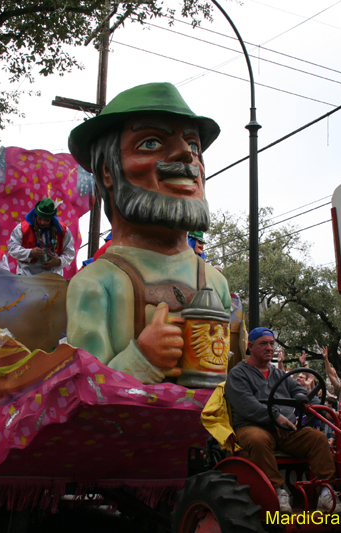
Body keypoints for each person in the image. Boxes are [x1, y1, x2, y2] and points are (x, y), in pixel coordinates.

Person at [65, 82, 230, 384]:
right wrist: (140, 359)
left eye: (194, 146)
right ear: (107, 170)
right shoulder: (96, 283)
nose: (186, 155)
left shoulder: (216, 283)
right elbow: (83, 389)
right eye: (151, 143)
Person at [224, 327, 341, 514]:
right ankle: (277, 491)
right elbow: (246, 404)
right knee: (257, 440)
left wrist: (327, 412)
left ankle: (325, 491)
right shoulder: (238, 374)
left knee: (317, 438)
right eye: (263, 344)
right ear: (250, 346)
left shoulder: (280, 375)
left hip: (286, 430)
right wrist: (274, 417)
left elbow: (302, 394)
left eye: (272, 344)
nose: (269, 348)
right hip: (254, 425)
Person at [8, 198, 75, 276]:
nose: (42, 223)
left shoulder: (63, 231)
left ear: (52, 219)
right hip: (27, 275)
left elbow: (69, 253)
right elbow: (12, 248)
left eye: (46, 220)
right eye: (39, 218)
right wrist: (30, 253)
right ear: (36, 215)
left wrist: (59, 261)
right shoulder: (22, 228)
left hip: (53, 276)